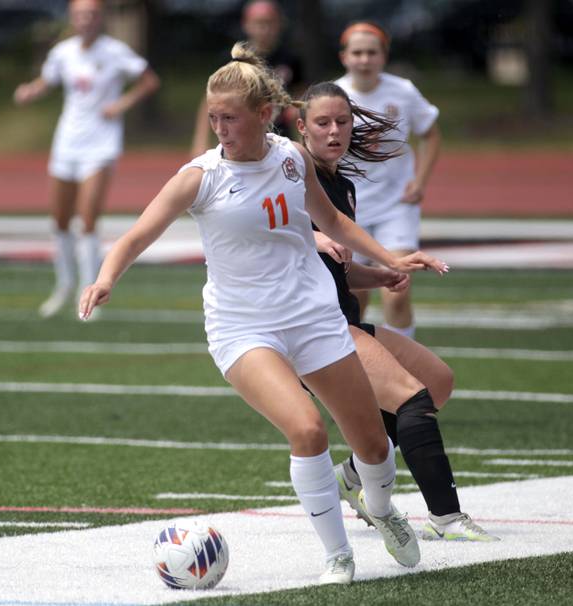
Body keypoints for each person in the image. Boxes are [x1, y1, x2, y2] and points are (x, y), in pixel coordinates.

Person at [78, 43, 452, 585]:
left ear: (263, 114)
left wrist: (391, 258)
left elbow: (335, 224)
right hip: (241, 327)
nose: (219, 128)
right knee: (307, 430)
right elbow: (136, 234)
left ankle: (383, 507)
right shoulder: (199, 177)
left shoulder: (290, 158)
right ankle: (338, 556)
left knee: (371, 443)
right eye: (212, 118)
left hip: (312, 316)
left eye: (229, 117)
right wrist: (106, 277)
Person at [297, 81, 498, 542]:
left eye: (342, 122)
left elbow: (337, 272)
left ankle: (352, 475)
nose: (334, 132)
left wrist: (380, 275)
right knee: (412, 397)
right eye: (322, 123)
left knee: (438, 381)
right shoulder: (289, 172)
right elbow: (266, 228)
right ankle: (446, 517)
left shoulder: (342, 185)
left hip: (342, 318)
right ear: (301, 128)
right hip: (311, 329)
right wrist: (316, 238)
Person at [14, 0, 160, 318]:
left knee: (89, 220)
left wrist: (121, 104)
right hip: (67, 143)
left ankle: (89, 292)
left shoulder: (114, 51)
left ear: (101, 18)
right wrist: (30, 91)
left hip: (101, 145)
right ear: (72, 18)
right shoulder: (63, 52)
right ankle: (63, 286)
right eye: (80, 15)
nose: (86, 20)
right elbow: (46, 81)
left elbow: (149, 81)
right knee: (60, 220)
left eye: (92, 15)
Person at [335, 21, 441, 339]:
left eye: (371, 52)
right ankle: (360, 370)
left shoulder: (403, 91)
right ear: (344, 57)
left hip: (397, 205)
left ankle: (407, 374)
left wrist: (419, 181)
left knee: (397, 287)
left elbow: (431, 134)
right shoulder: (334, 95)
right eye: (357, 53)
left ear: (384, 56)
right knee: (355, 298)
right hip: (349, 211)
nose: (364, 60)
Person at [190, 0, 304, 157]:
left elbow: (299, 99)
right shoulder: (234, 59)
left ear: (279, 24)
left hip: (280, 137)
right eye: (259, 23)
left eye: (270, 22)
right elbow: (210, 102)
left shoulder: (291, 59)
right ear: (246, 24)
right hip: (241, 136)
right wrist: (200, 142)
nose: (265, 29)